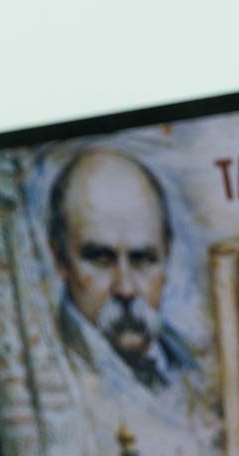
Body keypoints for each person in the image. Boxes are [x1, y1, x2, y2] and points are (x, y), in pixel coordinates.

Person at [47, 148, 201, 390]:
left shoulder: (192, 364)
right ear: (60, 260)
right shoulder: (49, 374)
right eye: (101, 259)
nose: (126, 289)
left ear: (167, 254)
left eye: (142, 259)